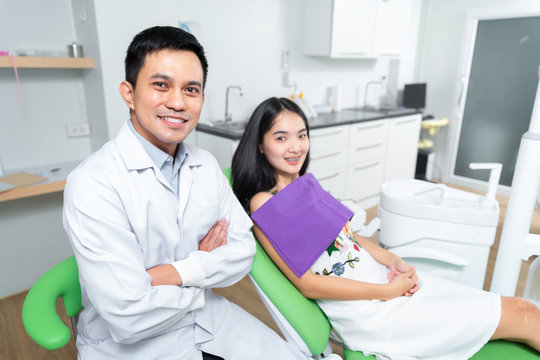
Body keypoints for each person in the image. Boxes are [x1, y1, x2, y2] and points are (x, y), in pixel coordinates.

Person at [231, 96, 540, 359]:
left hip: (382, 285)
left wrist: (393, 261)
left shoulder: (305, 183)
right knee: (523, 316)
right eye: (281, 137)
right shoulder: (264, 203)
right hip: (371, 312)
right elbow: (308, 284)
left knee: (524, 310)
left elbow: (347, 237)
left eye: (302, 135)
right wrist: (387, 292)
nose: (296, 147)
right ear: (260, 145)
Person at [63, 27, 305, 360]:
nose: (177, 102)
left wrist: (170, 274)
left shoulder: (204, 165)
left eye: (191, 89)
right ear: (129, 93)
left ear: (202, 99)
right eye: (161, 85)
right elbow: (128, 316)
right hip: (132, 347)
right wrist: (202, 272)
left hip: (207, 319)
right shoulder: (93, 183)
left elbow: (243, 252)